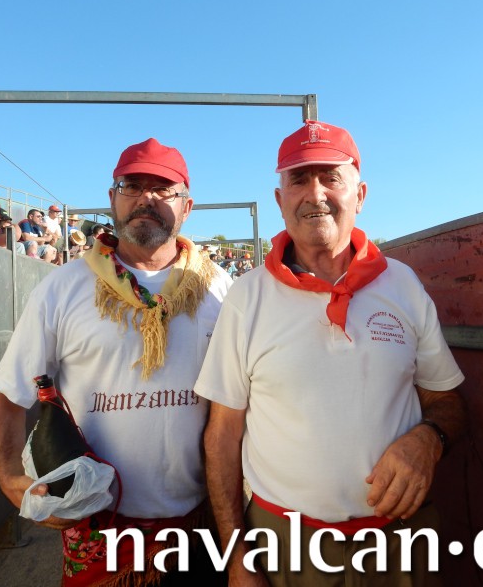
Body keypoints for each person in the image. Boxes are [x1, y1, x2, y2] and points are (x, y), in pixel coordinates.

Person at [196, 120, 467, 586]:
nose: (315, 193)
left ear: (360, 195)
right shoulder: (247, 297)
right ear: (280, 200)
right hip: (285, 549)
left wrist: (429, 439)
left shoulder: (402, 285)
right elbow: (222, 435)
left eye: (331, 177)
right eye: (299, 179)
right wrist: (235, 556)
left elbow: (447, 401)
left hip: (401, 543)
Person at [0, 137, 232, 585]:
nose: (146, 199)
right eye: (132, 186)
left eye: (163, 189)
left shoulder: (218, 288)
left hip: (200, 522)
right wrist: (9, 478)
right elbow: (7, 394)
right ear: (112, 198)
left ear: (187, 206)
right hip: (97, 526)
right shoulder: (64, 288)